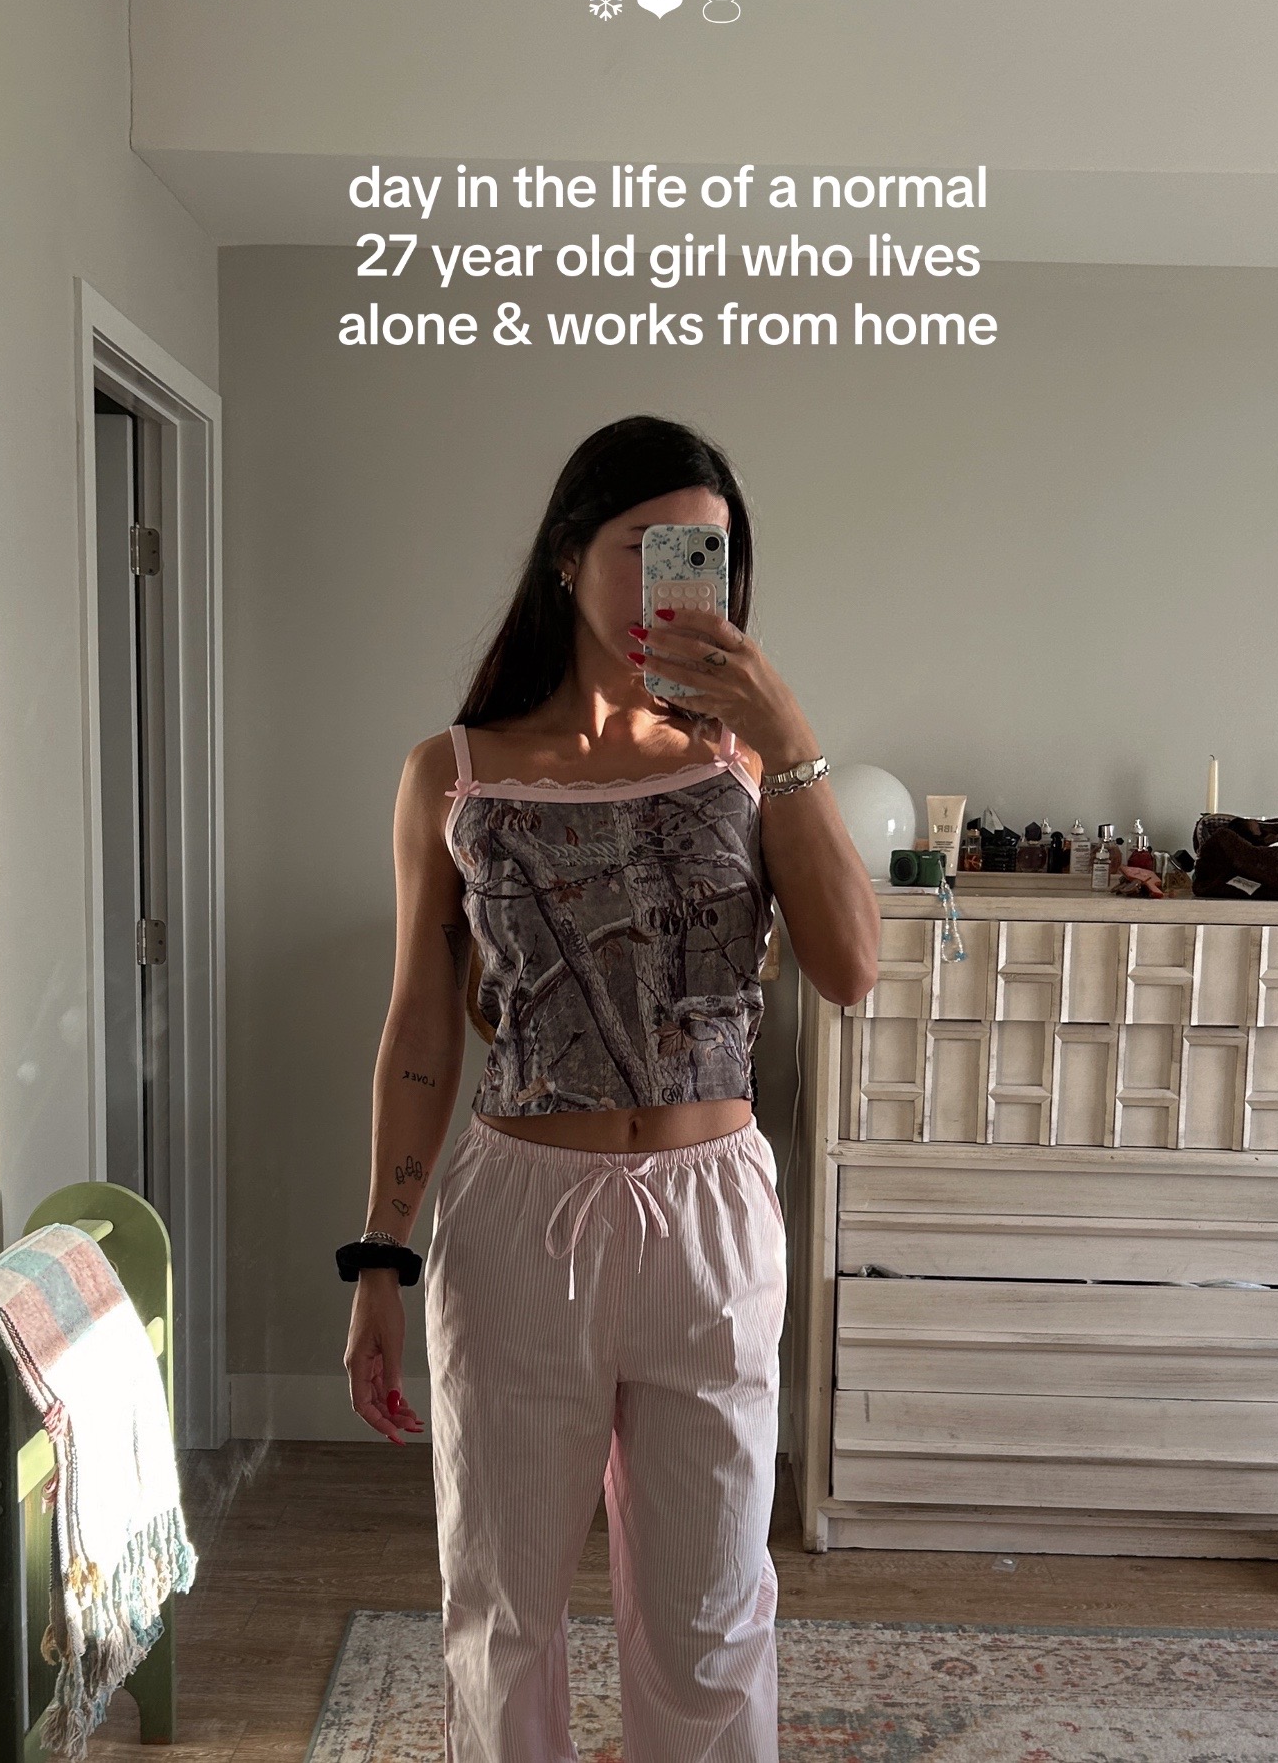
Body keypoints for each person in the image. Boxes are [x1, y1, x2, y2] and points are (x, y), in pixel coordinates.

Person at [341, 414, 880, 1761]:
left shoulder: (748, 764)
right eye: (646, 548)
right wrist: (380, 1259)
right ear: (569, 555)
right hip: (519, 1219)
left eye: (705, 556)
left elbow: (852, 968)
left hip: (711, 1216)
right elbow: (420, 1027)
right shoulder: (454, 775)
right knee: (504, 1609)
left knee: (710, 1615)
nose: (673, 583)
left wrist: (788, 731)